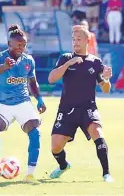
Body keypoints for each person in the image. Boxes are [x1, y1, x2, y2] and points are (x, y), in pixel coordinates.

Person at [48, 25, 114, 182]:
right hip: (67, 109)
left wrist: (106, 79)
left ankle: (106, 173)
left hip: (88, 108)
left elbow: (105, 89)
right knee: (56, 147)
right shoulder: (65, 58)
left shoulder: (95, 62)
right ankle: (63, 165)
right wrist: (68, 64)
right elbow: (51, 79)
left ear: (87, 40)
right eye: (73, 40)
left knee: (97, 132)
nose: (75, 43)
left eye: (78, 39)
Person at [0, 24, 46, 184]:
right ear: (9, 44)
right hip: (3, 104)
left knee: (35, 133)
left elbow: (32, 82)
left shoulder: (28, 60)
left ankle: (30, 174)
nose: (22, 47)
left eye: (24, 45)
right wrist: (5, 66)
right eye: (19, 45)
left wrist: (39, 99)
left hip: (23, 103)